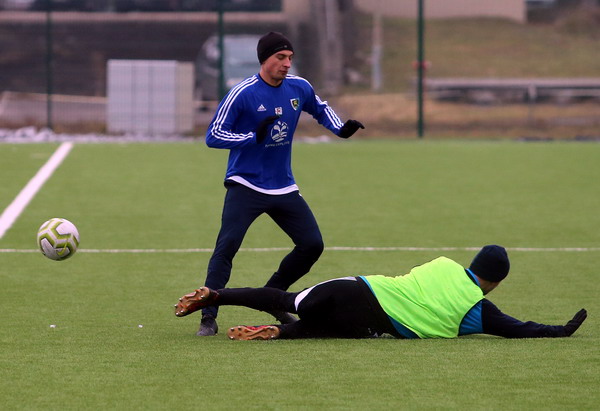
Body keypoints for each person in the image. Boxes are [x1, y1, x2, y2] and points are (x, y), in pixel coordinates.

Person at [195, 31, 365, 336]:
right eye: (280, 57)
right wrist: (252, 137)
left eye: (290, 58)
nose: (287, 63)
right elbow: (214, 135)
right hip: (245, 184)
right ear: (265, 59)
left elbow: (320, 108)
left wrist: (340, 129)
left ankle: (271, 296)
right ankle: (208, 316)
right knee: (227, 247)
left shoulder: (299, 87)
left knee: (312, 244)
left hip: (283, 186)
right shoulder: (242, 93)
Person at [175, 245, 588, 340]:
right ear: (496, 281)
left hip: (355, 286)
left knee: (285, 300)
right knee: (336, 331)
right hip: (368, 319)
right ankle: (279, 333)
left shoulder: (442, 264)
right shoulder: (479, 310)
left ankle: (217, 296)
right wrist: (560, 330)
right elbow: (518, 329)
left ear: (471, 263)